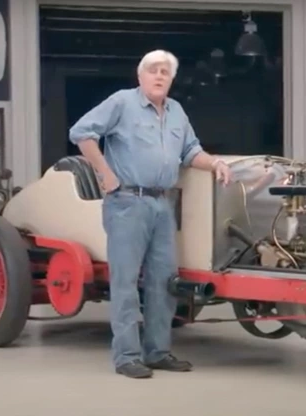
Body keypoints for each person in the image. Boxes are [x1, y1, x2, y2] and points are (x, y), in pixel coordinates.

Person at [68, 49, 232, 379]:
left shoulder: (176, 112)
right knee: (126, 283)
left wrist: (214, 163)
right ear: (140, 76)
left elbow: (190, 151)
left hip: (162, 205)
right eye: (153, 70)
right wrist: (104, 173)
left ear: (171, 80)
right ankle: (127, 356)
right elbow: (81, 133)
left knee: (163, 282)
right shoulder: (122, 103)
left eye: (165, 72)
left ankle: (157, 351)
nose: (159, 76)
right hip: (127, 202)